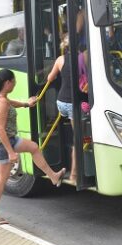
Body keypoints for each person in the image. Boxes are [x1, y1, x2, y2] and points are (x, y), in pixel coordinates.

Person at [0, 69, 65, 225]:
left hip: (10, 139)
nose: (15, 83)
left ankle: (54, 177)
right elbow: (0, 129)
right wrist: (11, 152)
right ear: (7, 83)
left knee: (34, 147)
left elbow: (11, 103)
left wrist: (26, 104)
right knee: (1, 179)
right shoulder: (1, 102)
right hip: (2, 144)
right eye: (13, 81)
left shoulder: (2, 98)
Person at [44, 35, 85, 183]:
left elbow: (50, 78)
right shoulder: (83, 58)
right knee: (78, 139)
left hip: (61, 102)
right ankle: (74, 175)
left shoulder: (60, 60)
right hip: (75, 103)